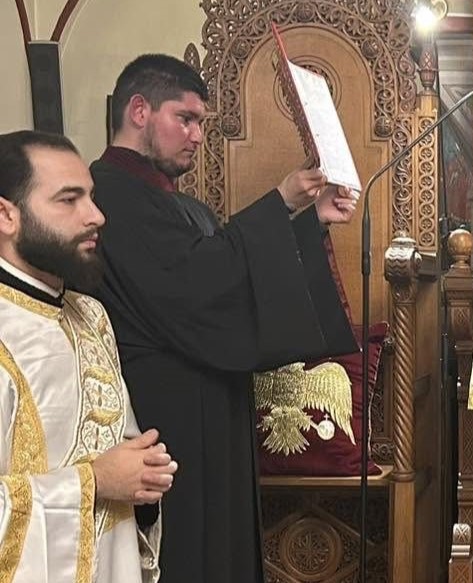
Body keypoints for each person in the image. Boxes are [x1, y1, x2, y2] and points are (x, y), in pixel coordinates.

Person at [90, 54, 360, 583]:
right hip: (162, 415)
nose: (196, 135)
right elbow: (196, 285)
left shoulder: (182, 206)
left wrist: (307, 220)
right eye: (185, 118)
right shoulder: (109, 194)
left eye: (201, 123)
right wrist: (280, 204)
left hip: (213, 405)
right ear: (139, 110)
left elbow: (226, 277)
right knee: (187, 554)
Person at [0, 130, 178, 582]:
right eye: (69, 200)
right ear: (6, 216)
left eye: (91, 197)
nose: (96, 216)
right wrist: (94, 483)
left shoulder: (91, 316)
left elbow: (122, 458)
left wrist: (143, 484)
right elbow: (103, 476)